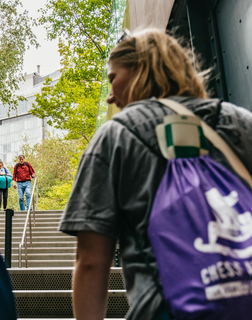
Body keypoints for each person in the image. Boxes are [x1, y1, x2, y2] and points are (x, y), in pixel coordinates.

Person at [59, 29, 252, 320]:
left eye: (113, 78)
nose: (110, 97)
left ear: (142, 69)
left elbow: (90, 262)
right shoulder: (241, 121)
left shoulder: (116, 135)